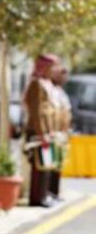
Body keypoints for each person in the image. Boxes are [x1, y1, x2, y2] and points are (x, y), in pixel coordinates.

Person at [23, 53, 60, 207]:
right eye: (52, 67)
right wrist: (42, 133)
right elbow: (37, 111)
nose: (54, 70)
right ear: (44, 67)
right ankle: (37, 198)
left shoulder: (47, 83)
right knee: (39, 166)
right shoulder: (36, 84)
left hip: (47, 132)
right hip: (38, 131)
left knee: (46, 165)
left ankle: (44, 195)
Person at [50, 65, 72, 199]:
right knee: (52, 164)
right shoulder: (52, 90)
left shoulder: (60, 91)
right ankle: (51, 192)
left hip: (62, 132)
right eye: (61, 75)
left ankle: (55, 192)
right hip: (55, 132)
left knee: (58, 163)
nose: (64, 78)